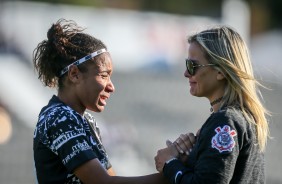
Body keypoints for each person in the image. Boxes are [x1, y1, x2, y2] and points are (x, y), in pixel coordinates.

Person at [33, 19, 168, 184]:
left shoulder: (84, 120)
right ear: (74, 74)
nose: (111, 87)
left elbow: (110, 178)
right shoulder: (59, 118)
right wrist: (173, 174)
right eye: (104, 75)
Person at [154, 25, 270, 184]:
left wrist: (169, 163)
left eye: (192, 66)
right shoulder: (244, 118)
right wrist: (190, 160)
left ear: (221, 71)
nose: (186, 73)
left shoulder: (225, 122)